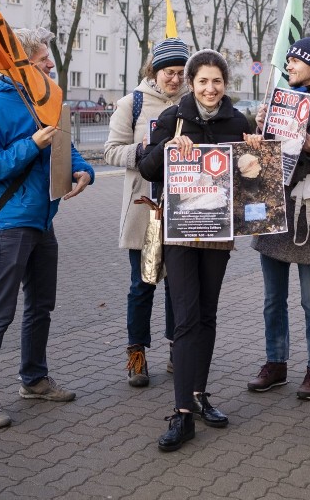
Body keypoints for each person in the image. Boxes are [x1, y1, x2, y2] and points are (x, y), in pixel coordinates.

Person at [0, 27, 95, 428]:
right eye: (43, 59)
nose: (51, 64)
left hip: (43, 218)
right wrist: (31, 146)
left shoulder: (45, 96)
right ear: (19, 62)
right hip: (9, 223)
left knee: (41, 306)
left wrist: (82, 168)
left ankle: (33, 379)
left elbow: (64, 142)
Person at [139, 49, 255, 452]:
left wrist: (255, 152)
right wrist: (170, 148)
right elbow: (147, 170)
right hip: (182, 233)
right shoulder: (173, 119)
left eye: (217, 82)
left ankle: (200, 395)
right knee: (186, 317)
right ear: (191, 84)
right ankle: (182, 414)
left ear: (225, 85)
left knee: (207, 314)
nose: (210, 88)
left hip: (217, 235)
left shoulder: (238, 122)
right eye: (202, 81)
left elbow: (252, 182)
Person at [247, 37, 310, 400]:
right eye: (287, 60)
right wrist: (258, 130)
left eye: (296, 60)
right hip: (273, 208)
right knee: (273, 298)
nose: (288, 65)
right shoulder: (277, 99)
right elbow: (261, 158)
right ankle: (276, 363)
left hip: (309, 215)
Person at [104, 38, 190, 387]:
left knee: (177, 286)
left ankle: (176, 349)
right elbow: (110, 152)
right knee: (142, 285)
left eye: (182, 73)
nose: (175, 79)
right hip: (145, 210)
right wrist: (144, 151)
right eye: (170, 72)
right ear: (154, 70)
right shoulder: (132, 103)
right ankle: (136, 353)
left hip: (183, 210)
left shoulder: (191, 104)